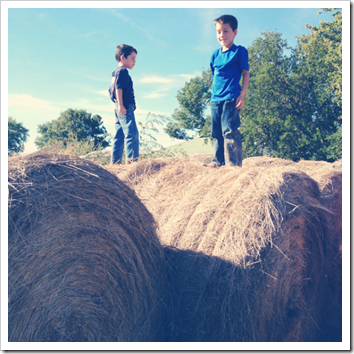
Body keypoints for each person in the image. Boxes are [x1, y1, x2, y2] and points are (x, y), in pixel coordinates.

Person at [208, 14, 250, 167]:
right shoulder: (214, 55)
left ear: (235, 32)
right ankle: (217, 162)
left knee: (229, 131)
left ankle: (233, 164)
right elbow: (215, 76)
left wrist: (242, 94)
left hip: (231, 97)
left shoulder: (239, 51)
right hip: (215, 99)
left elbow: (246, 73)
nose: (222, 35)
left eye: (226, 31)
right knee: (216, 133)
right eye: (219, 32)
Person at [109, 43, 139, 164]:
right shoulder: (122, 71)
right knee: (132, 133)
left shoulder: (115, 73)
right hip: (124, 107)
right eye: (132, 58)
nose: (134, 61)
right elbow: (118, 88)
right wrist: (121, 105)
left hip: (118, 108)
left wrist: (117, 104)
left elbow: (111, 90)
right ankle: (132, 161)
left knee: (119, 136)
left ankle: (115, 163)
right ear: (123, 57)